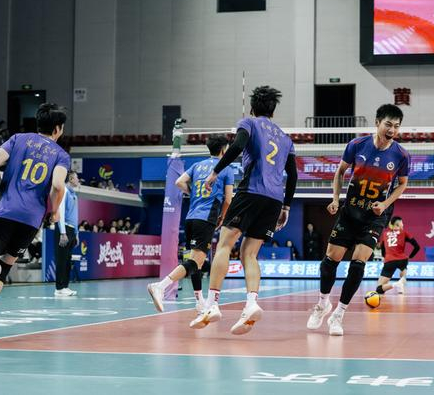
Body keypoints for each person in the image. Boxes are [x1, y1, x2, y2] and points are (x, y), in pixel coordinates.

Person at [189, 86, 297, 335]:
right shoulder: (286, 138)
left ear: (252, 108)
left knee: (224, 245)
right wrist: (286, 206)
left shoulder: (248, 123)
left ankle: (212, 304)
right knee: (250, 254)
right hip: (274, 200)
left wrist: (215, 172)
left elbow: (237, 146)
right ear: (273, 110)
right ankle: (251, 304)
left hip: (251, 191)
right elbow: (293, 175)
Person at [0, 103, 69, 336]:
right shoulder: (61, 155)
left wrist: (2, 187)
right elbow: (58, 185)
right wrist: (55, 211)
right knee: (5, 266)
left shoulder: (19, 139)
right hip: (31, 219)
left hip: (6, 210)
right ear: (58, 129)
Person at [307, 104, 410, 336]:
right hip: (350, 211)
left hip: (375, 216)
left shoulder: (401, 155)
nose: (392, 130)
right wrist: (335, 199)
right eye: (388, 124)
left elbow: (403, 184)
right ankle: (323, 303)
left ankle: (339, 314)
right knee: (330, 261)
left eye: (396, 126)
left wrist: (385, 204)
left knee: (358, 264)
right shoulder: (356, 145)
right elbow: (340, 172)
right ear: (377, 123)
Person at [147, 135, 234, 313]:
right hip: (206, 218)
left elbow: (178, 182)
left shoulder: (197, 165)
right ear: (223, 150)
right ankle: (161, 286)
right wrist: (223, 217)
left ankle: (199, 301)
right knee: (195, 262)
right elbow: (228, 199)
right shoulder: (226, 168)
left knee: (196, 263)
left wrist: (192, 192)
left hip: (191, 218)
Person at [375, 216, 419, 296]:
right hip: (403, 260)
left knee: (379, 289)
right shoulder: (404, 233)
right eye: (402, 223)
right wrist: (410, 256)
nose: (403, 225)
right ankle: (400, 284)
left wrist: (384, 257)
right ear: (397, 224)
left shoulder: (385, 234)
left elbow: (383, 249)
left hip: (389, 261)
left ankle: (396, 284)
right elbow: (417, 246)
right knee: (403, 274)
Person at [55, 170, 80, 297]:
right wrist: (63, 232)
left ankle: (65, 286)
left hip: (72, 230)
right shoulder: (64, 191)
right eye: (76, 178)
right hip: (64, 229)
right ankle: (59, 288)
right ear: (70, 179)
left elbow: (75, 216)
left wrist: (76, 233)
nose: (78, 180)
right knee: (62, 260)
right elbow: (60, 212)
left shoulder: (74, 194)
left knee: (67, 261)